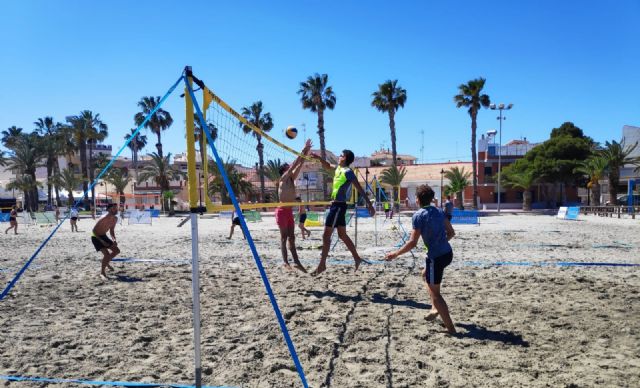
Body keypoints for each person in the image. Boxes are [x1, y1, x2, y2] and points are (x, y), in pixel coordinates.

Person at [385, 184, 456, 334]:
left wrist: (395, 254)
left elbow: (412, 242)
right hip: (447, 253)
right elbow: (451, 232)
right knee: (425, 275)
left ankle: (450, 327)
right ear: (431, 199)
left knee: (436, 294)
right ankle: (434, 308)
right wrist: (440, 243)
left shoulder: (418, 216)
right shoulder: (439, 211)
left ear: (417, 200)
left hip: (435, 257)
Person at [310, 149, 375, 276]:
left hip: (338, 206)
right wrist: (318, 158)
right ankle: (356, 258)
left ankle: (322, 265)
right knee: (342, 235)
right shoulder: (338, 168)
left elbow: (359, 188)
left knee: (326, 236)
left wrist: (369, 204)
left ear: (344, 158)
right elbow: (328, 165)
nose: (339, 157)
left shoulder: (348, 172)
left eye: (340, 155)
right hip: (338, 206)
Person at [275, 139, 312, 272]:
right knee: (284, 237)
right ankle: (285, 262)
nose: (290, 169)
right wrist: (303, 150)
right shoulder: (284, 178)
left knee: (292, 237)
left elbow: (299, 164)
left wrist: (306, 152)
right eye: (287, 168)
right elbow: (294, 164)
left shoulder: (291, 179)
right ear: (284, 170)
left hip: (289, 211)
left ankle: (296, 262)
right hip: (281, 211)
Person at [91, 203, 121, 279]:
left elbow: (111, 230)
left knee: (116, 251)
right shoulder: (103, 218)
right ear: (109, 209)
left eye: (116, 208)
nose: (116, 209)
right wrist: (102, 241)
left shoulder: (115, 219)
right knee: (107, 255)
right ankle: (102, 272)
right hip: (96, 237)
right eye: (114, 208)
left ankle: (105, 261)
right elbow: (94, 231)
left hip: (104, 236)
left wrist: (114, 239)